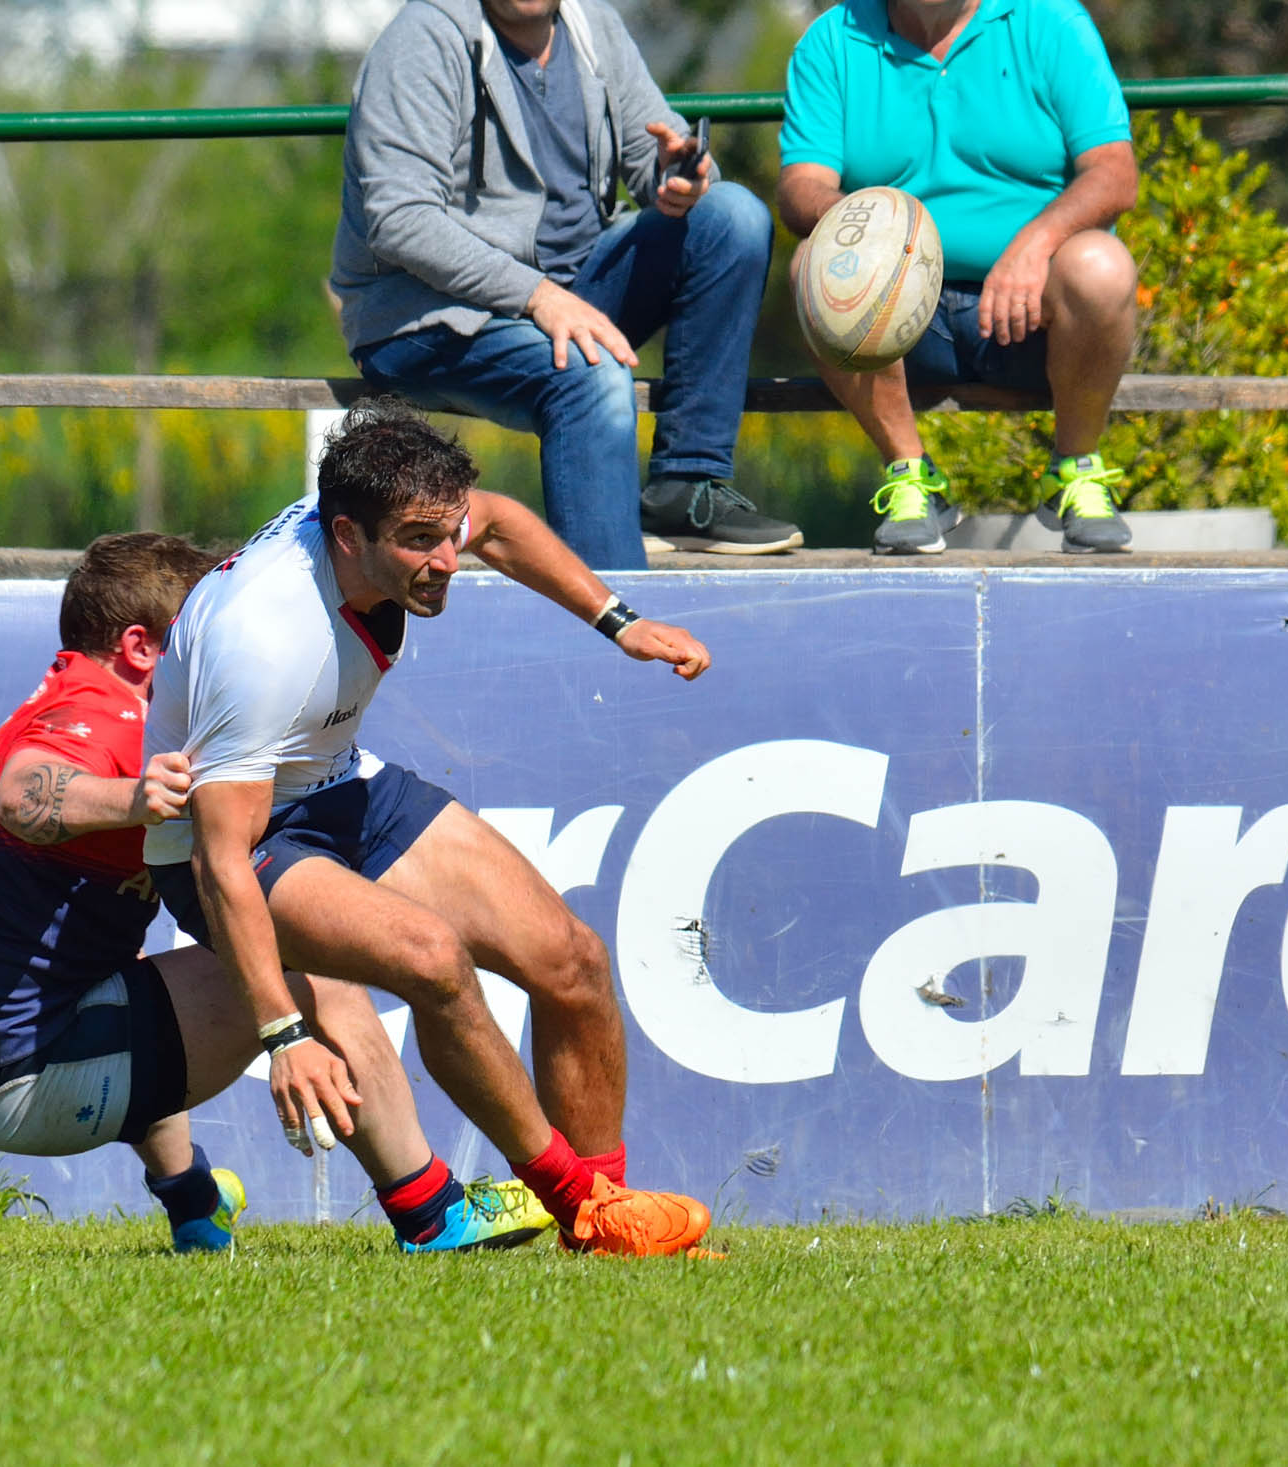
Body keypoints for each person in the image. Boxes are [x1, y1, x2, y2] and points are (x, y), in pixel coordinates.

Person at [143, 397, 720, 1258]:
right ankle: (584, 1209)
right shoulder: (262, 636)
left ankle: (608, 1216)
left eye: (450, 533)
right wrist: (283, 1033)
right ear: (347, 536)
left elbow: (501, 524)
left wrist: (622, 623)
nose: (448, 558)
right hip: (223, 843)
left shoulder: (400, 512)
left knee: (572, 960)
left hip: (335, 783)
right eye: (421, 541)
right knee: (433, 957)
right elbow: (221, 859)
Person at [0, 532, 550, 1254]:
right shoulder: (109, 720)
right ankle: (433, 1214)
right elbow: (23, 793)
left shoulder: (66, 695)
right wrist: (130, 798)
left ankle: (195, 1204)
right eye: (197, 634)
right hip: (11, 1081)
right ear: (140, 648)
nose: (214, 650)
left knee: (139, 983)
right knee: (303, 962)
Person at [330, 0, 802, 569]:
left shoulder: (592, 25)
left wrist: (680, 177)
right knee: (590, 373)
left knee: (731, 216)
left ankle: (687, 485)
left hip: (570, 292)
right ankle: (610, 608)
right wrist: (537, 296)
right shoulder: (423, 40)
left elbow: (650, 153)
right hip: (426, 315)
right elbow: (400, 221)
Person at [777, 0, 1139, 555]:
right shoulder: (831, 40)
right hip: (898, 315)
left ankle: (1075, 470)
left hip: (1034, 314)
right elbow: (801, 186)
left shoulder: (1051, 21)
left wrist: (1034, 245)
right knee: (813, 265)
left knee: (1101, 266)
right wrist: (869, 229)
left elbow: (1114, 174)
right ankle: (910, 476)